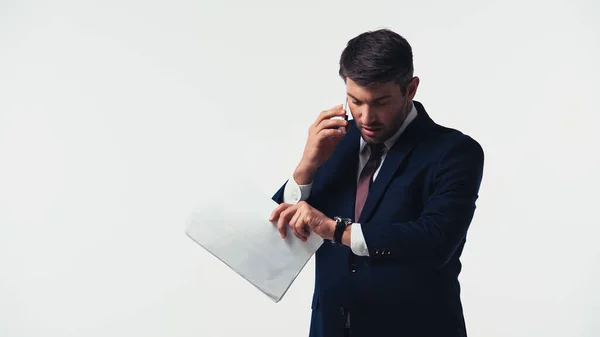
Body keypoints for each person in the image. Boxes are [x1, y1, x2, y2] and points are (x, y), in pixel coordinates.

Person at [268, 28, 484, 337]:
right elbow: (275, 235)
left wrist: (335, 230)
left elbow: (436, 241)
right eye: (354, 101)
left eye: (380, 102)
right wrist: (306, 167)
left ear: (410, 89)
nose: (366, 116)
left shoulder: (454, 151)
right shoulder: (333, 142)